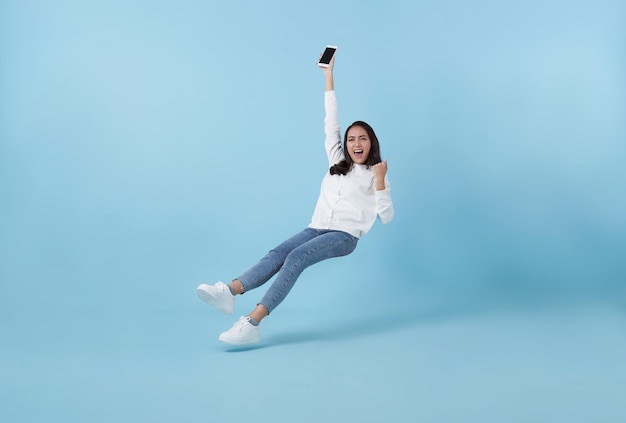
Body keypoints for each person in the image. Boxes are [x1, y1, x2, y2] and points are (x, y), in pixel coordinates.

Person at [196, 50, 394, 345]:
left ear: (371, 143)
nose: (355, 143)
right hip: (316, 227)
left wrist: (379, 182)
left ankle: (252, 322)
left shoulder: (376, 173)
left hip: (345, 236)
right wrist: (329, 76)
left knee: (296, 257)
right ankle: (229, 292)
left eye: (362, 138)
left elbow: (387, 217)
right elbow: (331, 122)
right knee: (277, 254)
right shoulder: (336, 160)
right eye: (351, 138)